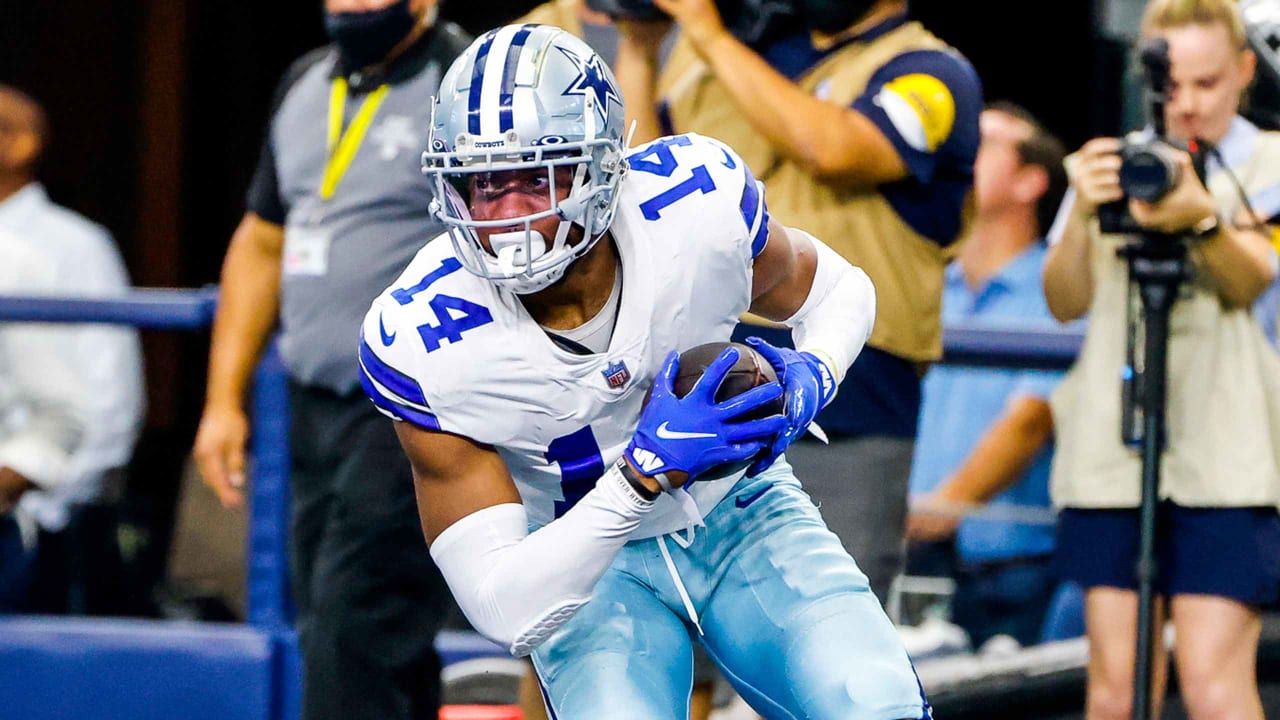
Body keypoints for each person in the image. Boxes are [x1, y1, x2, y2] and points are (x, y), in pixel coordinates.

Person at [362, 24, 930, 720]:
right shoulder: (421, 339)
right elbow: (503, 605)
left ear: (602, 164)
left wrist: (810, 375)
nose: (511, 215)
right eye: (485, 186)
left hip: (741, 513)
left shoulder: (692, 209)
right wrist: (639, 477)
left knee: (876, 704)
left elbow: (842, 289)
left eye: (537, 177)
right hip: (586, 564)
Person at [612, 0, 983, 603]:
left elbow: (833, 149)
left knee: (827, 617)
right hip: (707, 362)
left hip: (852, 380)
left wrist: (705, 28)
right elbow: (644, 187)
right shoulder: (734, 55)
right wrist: (640, 48)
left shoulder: (931, 70)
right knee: (673, 611)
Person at [191, 2, 470, 718]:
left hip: (415, 405)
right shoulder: (304, 81)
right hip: (314, 405)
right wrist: (224, 401)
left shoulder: (461, 82)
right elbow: (260, 242)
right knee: (343, 624)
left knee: (354, 623)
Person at [1043, 1, 1280, 718]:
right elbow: (1062, 299)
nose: (1188, 106)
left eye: (1207, 84)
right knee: (1115, 689)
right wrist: (1084, 212)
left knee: (1213, 682)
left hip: (1230, 453)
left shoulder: (1271, 161)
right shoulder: (1113, 164)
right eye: (1172, 86)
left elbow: (1252, 280)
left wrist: (1198, 216)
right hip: (1113, 452)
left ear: (1244, 70)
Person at [904, 102, 1072, 650]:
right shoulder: (929, 285)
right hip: (911, 558)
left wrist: (937, 511)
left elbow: (1031, 419)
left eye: (987, 141)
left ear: (1031, 181)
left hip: (1011, 568)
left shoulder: (1061, 291)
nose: (964, 147)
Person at [0, 86, 144, 614]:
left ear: (20, 145)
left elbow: (109, 402)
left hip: (36, 527)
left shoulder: (71, 244)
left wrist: (41, 511)